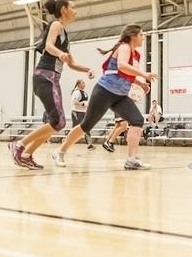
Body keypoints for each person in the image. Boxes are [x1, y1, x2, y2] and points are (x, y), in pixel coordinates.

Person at [52, 24, 156, 171]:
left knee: (137, 120)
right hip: (105, 91)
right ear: (133, 36)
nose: (143, 37)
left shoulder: (135, 54)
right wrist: (143, 74)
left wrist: (141, 83)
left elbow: (126, 74)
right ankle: (60, 151)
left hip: (120, 95)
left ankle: (131, 160)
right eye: (141, 35)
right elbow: (121, 66)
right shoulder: (124, 47)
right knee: (86, 125)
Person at [10, 0, 94, 170]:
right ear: (64, 9)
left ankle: (26, 155)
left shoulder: (65, 37)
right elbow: (48, 46)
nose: (76, 11)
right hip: (44, 76)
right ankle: (19, 145)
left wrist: (87, 69)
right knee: (58, 121)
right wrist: (59, 53)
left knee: (57, 122)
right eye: (73, 7)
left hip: (52, 79)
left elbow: (71, 63)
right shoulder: (56, 25)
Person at [70, 79, 95, 149]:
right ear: (79, 84)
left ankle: (89, 144)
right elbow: (74, 102)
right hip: (76, 112)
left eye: (84, 83)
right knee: (75, 128)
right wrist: (83, 104)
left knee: (86, 127)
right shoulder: (77, 92)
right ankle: (67, 141)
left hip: (83, 112)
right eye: (83, 83)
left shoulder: (84, 93)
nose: (84, 84)